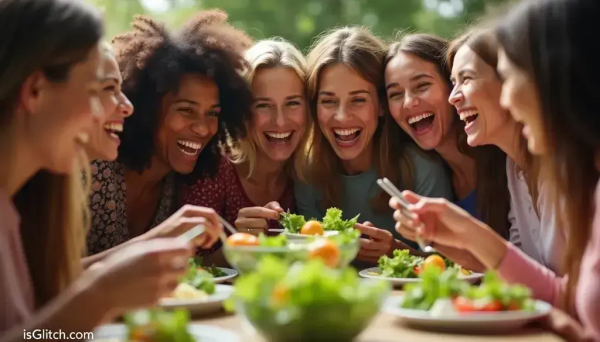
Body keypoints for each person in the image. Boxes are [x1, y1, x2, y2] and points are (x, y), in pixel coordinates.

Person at [0, 0, 219, 339]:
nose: (124, 108)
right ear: (35, 91)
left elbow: (40, 310)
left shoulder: (16, 206)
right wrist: (100, 296)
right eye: (97, 89)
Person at [391, 0, 599, 339]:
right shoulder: (514, 171)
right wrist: (461, 239)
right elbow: (558, 294)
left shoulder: (583, 181)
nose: (452, 97)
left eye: (467, 79)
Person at [86, 10, 253, 255]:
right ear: (147, 109)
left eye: (212, 113)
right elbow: (50, 284)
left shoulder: (178, 184)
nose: (203, 128)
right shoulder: (93, 171)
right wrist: (156, 240)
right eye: (186, 110)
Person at [295, 27, 453, 266]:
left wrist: (397, 251)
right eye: (328, 101)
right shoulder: (307, 173)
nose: (342, 116)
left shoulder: (421, 168)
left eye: (358, 100)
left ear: (381, 105)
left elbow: (450, 264)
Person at [446, 28, 564, 273]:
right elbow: (523, 263)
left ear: (511, 82)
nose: (453, 97)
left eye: (466, 79)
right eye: (453, 83)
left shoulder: (568, 166)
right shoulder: (512, 166)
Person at [182, 38, 309, 262]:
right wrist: (239, 242)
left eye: (292, 103)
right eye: (263, 105)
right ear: (243, 112)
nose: (279, 122)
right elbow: (187, 267)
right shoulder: (212, 170)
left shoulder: (309, 173)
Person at [384, 34, 510, 237]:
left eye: (422, 85)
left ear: (452, 86)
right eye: (395, 94)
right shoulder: (426, 175)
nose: (408, 103)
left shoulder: (505, 158)